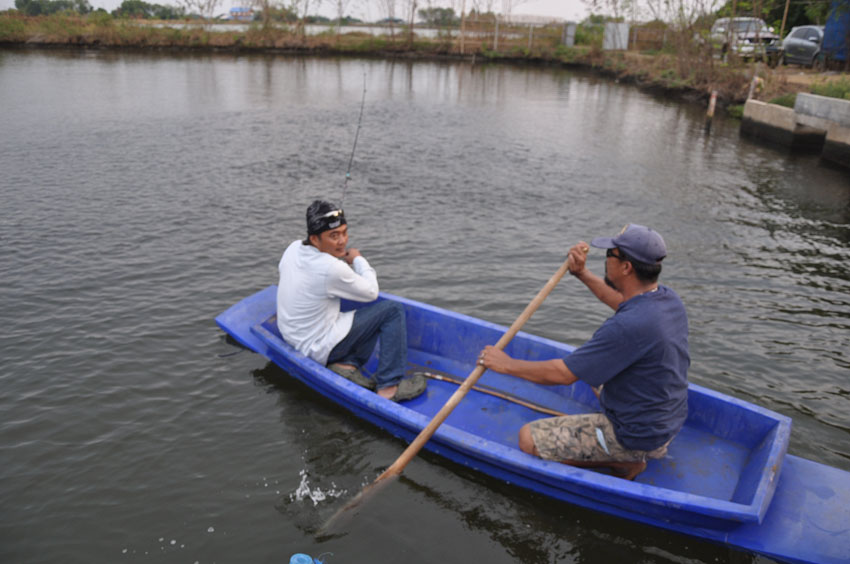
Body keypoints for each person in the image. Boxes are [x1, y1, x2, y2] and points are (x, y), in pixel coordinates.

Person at [478, 224, 689, 480]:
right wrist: (581, 273)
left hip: (637, 436)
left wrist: (505, 364)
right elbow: (620, 302)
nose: (606, 259)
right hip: (665, 420)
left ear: (626, 267)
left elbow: (563, 374)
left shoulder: (627, 326)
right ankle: (634, 450)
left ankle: (626, 459)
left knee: (528, 439)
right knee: (595, 379)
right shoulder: (667, 299)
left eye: (610, 254)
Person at [276, 200, 426, 402]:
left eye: (344, 232)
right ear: (315, 239)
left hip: (293, 337)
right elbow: (371, 292)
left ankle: (345, 364)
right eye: (333, 236)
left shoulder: (293, 248)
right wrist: (357, 259)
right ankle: (389, 388)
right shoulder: (331, 268)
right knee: (392, 311)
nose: (342, 241)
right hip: (316, 346)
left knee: (360, 312)